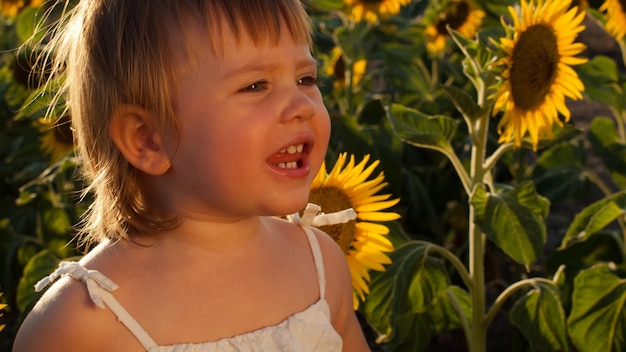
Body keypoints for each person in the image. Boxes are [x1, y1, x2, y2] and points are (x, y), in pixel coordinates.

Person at [12, 0, 371, 351]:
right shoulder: (84, 322)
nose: (303, 106)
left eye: (305, 78)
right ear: (148, 139)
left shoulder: (320, 264)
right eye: (255, 85)